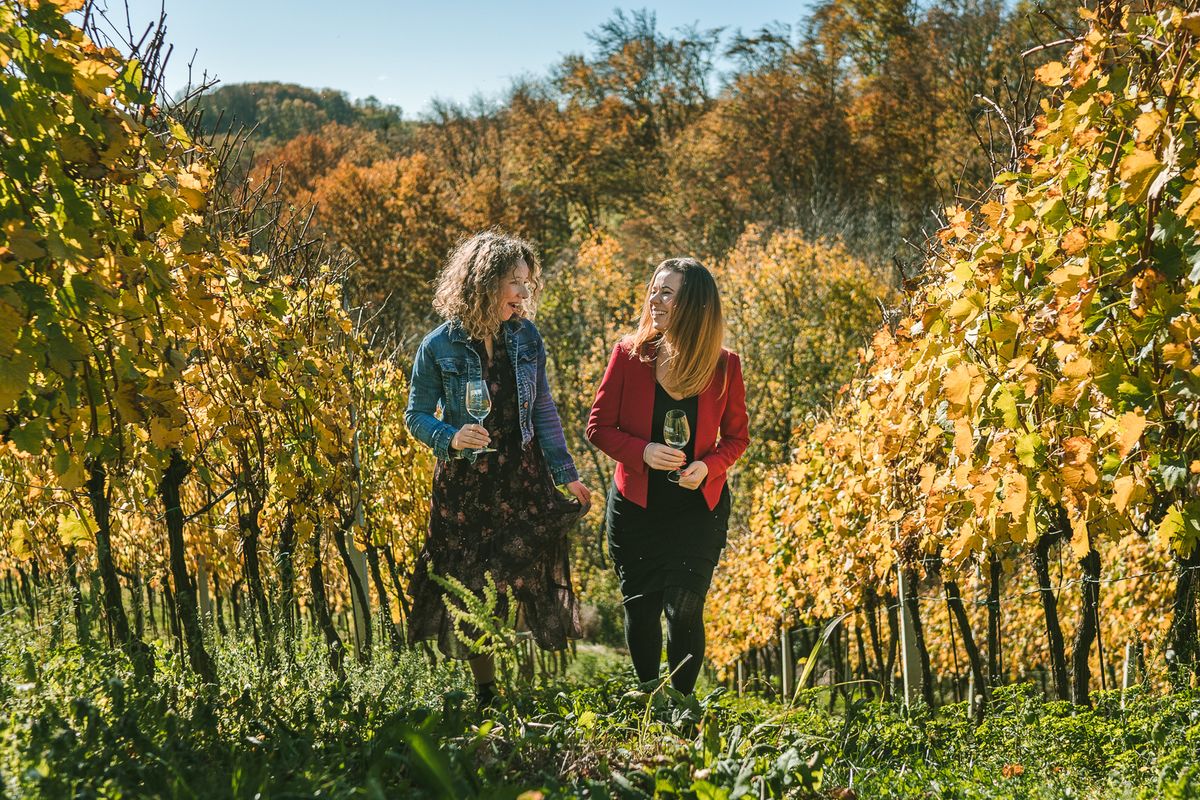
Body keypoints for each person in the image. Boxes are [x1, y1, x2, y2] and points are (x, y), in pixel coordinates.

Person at [404, 230, 592, 708]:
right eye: (515, 283)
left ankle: (528, 683)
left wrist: (564, 471)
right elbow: (416, 415)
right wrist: (450, 437)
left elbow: (544, 407)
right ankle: (487, 690)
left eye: (528, 283)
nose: (524, 295)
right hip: (466, 483)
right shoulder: (438, 346)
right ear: (484, 282)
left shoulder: (527, 337)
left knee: (522, 573)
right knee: (469, 586)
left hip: (521, 473)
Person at [586, 258, 749, 696]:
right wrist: (642, 451)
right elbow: (597, 426)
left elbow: (737, 438)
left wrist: (709, 466)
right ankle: (648, 702)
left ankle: (680, 709)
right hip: (637, 508)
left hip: (697, 510)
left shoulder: (725, 366)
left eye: (666, 293)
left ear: (693, 303)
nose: (654, 300)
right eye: (654, 291)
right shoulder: (628, 354)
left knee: (685, 607)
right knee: (641, 610)